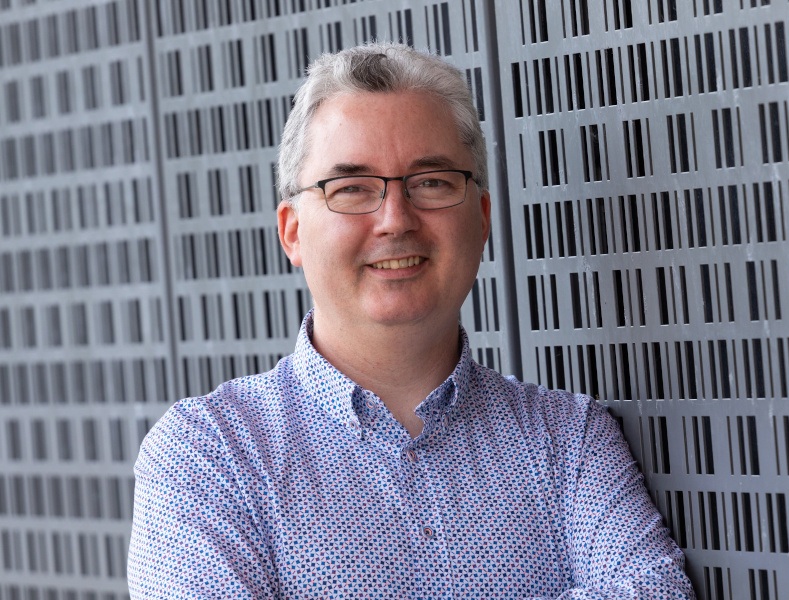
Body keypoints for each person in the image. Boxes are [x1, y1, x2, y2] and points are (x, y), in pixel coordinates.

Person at [128, 42, 695, 598]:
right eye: (350, 188)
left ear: (480, 216)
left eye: (431, 183)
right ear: (293, 232)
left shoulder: (569, 438)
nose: (395, 220)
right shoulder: (207, 455)